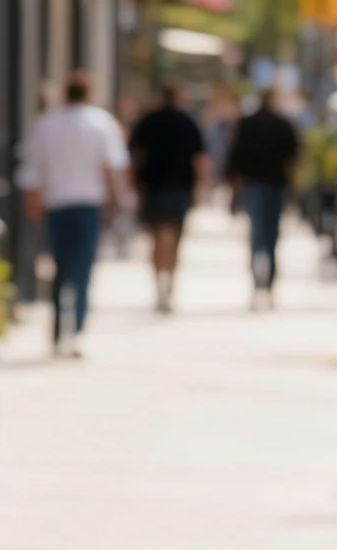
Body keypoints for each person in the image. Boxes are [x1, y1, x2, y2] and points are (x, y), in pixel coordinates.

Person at [19, 71, 131, 356]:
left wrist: (33, 205)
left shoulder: (46, 125)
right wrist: (117, 200)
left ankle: (59, 329)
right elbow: (111, 166)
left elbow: (33, 171)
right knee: (82, 268)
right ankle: (76, 329)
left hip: (56, 204)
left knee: (60, 266)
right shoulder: (100, 123)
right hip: (87, 204)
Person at [128, 82, 209, 312]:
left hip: (153, 188)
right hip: (179, 189)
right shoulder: (187, 122)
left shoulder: (147, 122)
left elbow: (134, 157)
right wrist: (200, 188)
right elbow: (200, 159)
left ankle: (159, 285)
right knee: (174, 240)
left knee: (155, 239)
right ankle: (169, 284)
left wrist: (134, 186)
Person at [228, 86, 301, 305]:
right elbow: (293, 159)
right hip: (275, 184)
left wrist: (235, 186)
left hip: (255, 184)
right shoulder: (283, 124)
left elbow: (235, 155)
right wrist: (294, 187)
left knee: (257, 232)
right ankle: (267, 280)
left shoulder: (248, 123)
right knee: (271, 234)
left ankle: (258, 278)